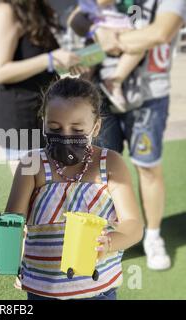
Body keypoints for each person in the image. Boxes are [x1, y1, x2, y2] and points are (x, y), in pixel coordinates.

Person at [0, 77, 144, 300]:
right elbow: (14, 222)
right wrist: (3, 241)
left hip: (98, 291)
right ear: (44, 123)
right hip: (42, 291)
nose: (66, 136)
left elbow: (134, 225)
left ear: (96, 126)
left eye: (77, 129)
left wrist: (109, 242)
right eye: (55, 127)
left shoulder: (110, 164)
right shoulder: (31, 165)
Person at [71, 0, 186, 271]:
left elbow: (160, 32)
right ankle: (105, 237)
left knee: (147, 168)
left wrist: (110, 39)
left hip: (149, 96)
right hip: (100, 93)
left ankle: (153, 236)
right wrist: (98, 32)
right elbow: (77, 19)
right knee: (101, 168)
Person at [0, 0, 88, 174]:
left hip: (45, 118)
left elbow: (39, 61)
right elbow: (0, 72)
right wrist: (49, 59)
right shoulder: (5, 11)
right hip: (20, 121)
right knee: (29, 196)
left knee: (49, 195)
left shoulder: (36, 10)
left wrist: (66, 62)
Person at [76, 0, 146, 111]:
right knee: (87, 70)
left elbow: (134, 11)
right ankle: (80, 92)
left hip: (121, 23)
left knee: (139, 47)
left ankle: (114, 82)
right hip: (101, 25)